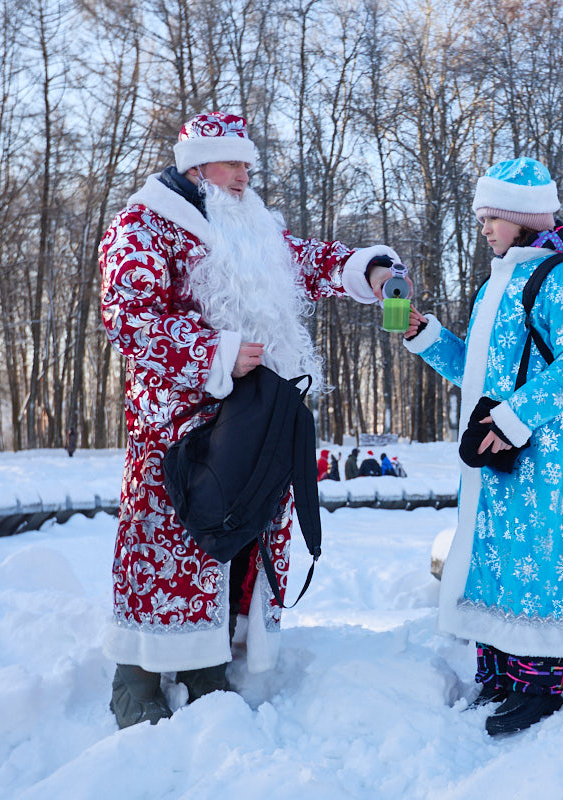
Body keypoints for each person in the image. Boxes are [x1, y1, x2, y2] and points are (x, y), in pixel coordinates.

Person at [97, 111, 404, 729]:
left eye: (247, 164)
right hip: (175, 429)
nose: (245, 175)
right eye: (233, 163)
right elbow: (127, 317)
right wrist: (217, 351)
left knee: (238, 534)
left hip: (251, 420)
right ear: (198, 166)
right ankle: (136, 675)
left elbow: (307, 262)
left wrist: (367, 271)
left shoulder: (250, 224)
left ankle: (210, 665)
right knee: (168, 545)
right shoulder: (143, 224)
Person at [402, 157, 563, 736]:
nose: (484, 228)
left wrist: (515, 417)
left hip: (539, 450)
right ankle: (502, 672)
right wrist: (428, 338)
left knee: (538, 557)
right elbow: (480, 371)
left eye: (491, 217)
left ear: (521, 217)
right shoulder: (497, 282)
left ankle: (541, 680)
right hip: (497, 450)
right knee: (496, 559)